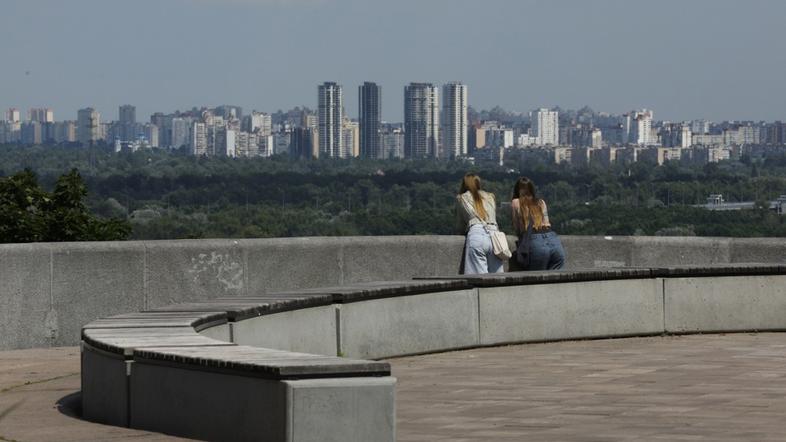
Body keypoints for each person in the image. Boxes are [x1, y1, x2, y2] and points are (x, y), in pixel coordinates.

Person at [511, 177, 566, 270]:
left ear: (517, 190)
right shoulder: (541, 202)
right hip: (553, 240)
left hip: (535, 241)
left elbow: (518, 228)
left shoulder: (516, 202)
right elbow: (547, 222)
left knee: (536, 282)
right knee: (556, 283)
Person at [455, 173, 504, 274]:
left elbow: (460, 224)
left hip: (476, 234)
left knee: (478, 279)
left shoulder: (462, 198)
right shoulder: (490, 197)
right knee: (497, 279)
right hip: (495, 236)